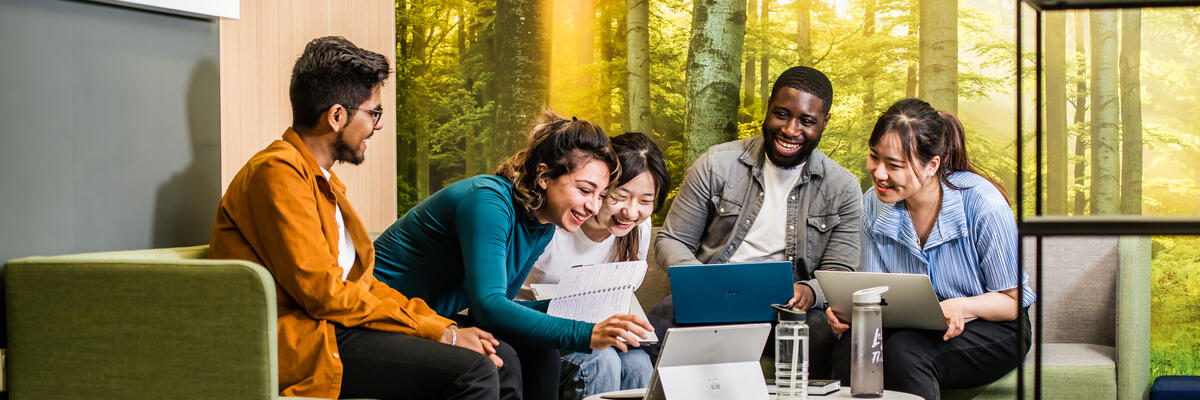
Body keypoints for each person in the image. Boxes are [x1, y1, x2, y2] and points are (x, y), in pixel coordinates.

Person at [208, 36, 514, 400]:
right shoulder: (276, 174)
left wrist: (439, 324)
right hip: (311, 340)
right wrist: (441, 335)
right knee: (475, 371)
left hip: (337, 326)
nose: (378, 126)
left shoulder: (321, 182)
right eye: (374, 113)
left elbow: (360, 284)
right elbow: (325, 296)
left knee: (502, 355)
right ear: (337, 116)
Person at [372, 111, 655, 400]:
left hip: (431, 316)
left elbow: (501, 310)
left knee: (540, 351)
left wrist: (588, 311)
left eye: (601, 195)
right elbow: (488, 308)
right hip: (380, 315)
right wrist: (585, 332)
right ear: (544, 176)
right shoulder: (487, 201)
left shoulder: (542, 224)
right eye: (585, 190)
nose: (594, 207)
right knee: (502, 358)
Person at [647, 66, 862, 378]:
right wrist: (697, 280)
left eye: (806, 121)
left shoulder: (842, 187)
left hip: (788, 310)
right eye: (782, 114)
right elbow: (672, 239)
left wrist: (810, 291)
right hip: (711, 297)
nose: (790, 129)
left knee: (822, 334)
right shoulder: (716, 164)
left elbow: (841, 271)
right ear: (769, 107)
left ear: (824, 122)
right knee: (646, 335)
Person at [827, 98, 1036, 399]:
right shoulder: (871, 204)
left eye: (894, 165)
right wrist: (851, 313)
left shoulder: (984, 205)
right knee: (853, 347)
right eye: (875, 157)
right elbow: (875, 291)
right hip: (917, 322)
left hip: (997, 326)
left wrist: (959, 306)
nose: (879, 173)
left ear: (931, 165)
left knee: (905, 352)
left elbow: (1011, 302)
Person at [516, 132, 669, 397]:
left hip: (598, 334)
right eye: (620, 196)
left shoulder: (638, 229)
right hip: (538, 333)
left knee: (639, 363)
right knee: (602, 362)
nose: (631, 212)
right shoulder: (555, 221)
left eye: (645, 201)